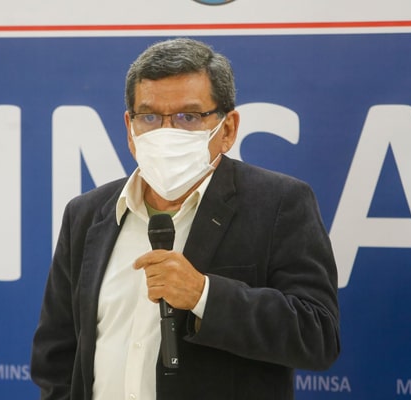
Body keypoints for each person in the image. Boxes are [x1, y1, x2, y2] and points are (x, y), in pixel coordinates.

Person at [30, 38, 340, 400]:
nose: (167, 132)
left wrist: (204, 295)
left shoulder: (279, 203)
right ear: (130, 128)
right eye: (149, 117)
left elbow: (317, 335)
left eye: (188, 117)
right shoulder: (86, 214)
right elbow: (56, 357)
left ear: (227, 129)